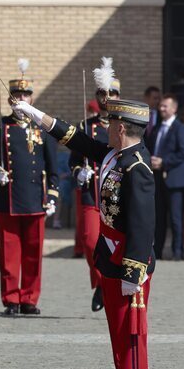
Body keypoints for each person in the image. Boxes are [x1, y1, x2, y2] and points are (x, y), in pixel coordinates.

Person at [12, 97, 155, 369]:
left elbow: (143, 225)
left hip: (126, 266)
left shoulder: (138, 168)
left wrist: (133, 274)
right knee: (118, 341)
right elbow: (75, 138)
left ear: (121, 128)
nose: (104, 128)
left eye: (109, 124)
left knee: (131, 341)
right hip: (109, 256)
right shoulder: (115, 155)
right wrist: (35, 115)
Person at [0, 63, 59, 316]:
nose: (21, 99)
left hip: (36, 198)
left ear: (31, 98)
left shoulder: (42, 128)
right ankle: (11, 298)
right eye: (17, 96)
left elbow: (52, 166)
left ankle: (30, 299)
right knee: (10, 254)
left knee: (33, 255)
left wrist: (53, 194)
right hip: (9, 198)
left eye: (25, 95)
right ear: (11, 99)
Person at [71, 65, 122, 312]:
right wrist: (79, 172)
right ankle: (102, 283)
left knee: (116, 246)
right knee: (91, 243)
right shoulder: (85, 126)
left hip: (117, 197)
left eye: (111, 93)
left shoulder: (125, 125)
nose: (106, 98)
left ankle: (109, 286)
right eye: (102, 93)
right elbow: (73, 161)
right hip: (92, 193)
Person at [145, 95, 184, 260]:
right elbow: (148, 148)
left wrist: (164, 162)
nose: (161, 109)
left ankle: (178, 252)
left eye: (165, 106)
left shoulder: (179, 128)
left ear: (174, 108)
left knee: (176, 219)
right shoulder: (156, 128)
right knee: (158, 218)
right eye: (161, 106)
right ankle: (157, 252)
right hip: (157, 180)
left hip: (174, 180)